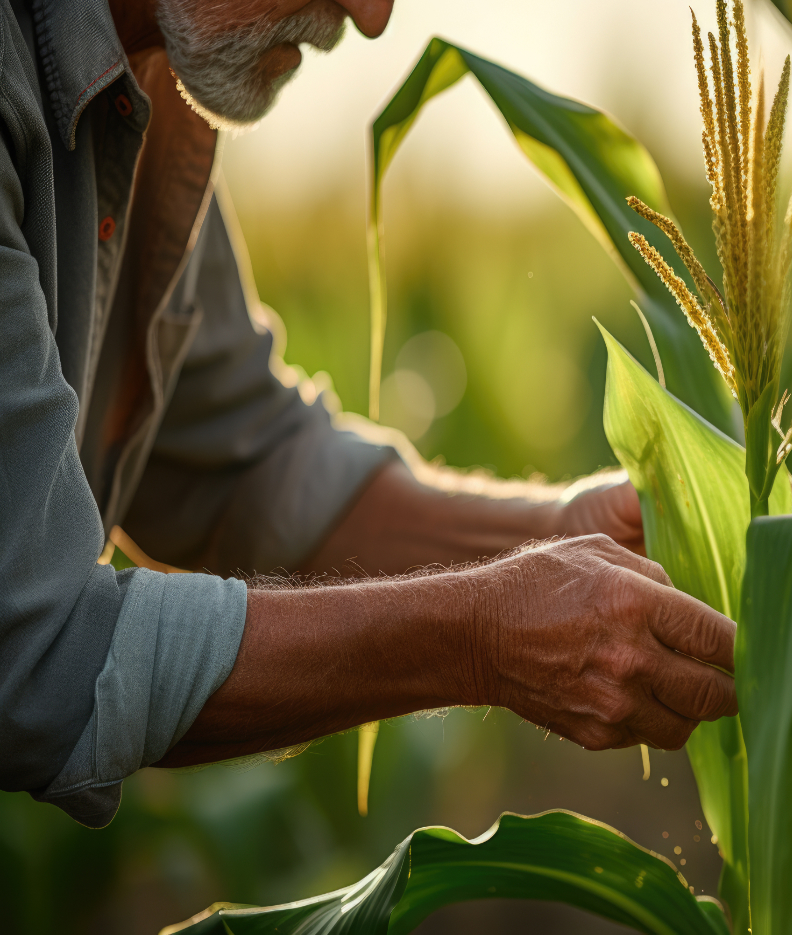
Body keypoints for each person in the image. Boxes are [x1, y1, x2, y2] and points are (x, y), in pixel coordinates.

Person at [0, 0, 738, 829]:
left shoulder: (151, 94)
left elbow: (242, 467)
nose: (373, 15)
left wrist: (565, 528)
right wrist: (483, 635)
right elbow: (37, 653)